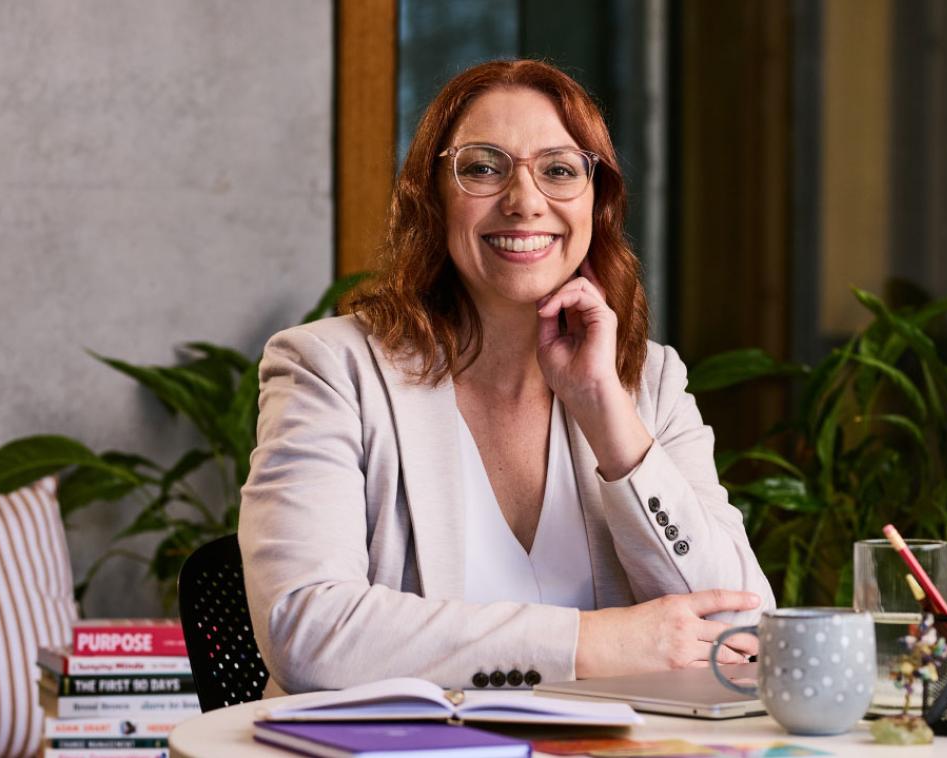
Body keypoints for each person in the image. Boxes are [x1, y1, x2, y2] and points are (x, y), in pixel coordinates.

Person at [238, 59, 775, 697]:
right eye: (483, 168)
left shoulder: (648, 382)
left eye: (559, 170)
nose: (524, 202)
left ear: (597, 203)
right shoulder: (331, 370)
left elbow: (743, 630)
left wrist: (605, 412)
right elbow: (307, 631)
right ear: (431, 196)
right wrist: (591, 642)